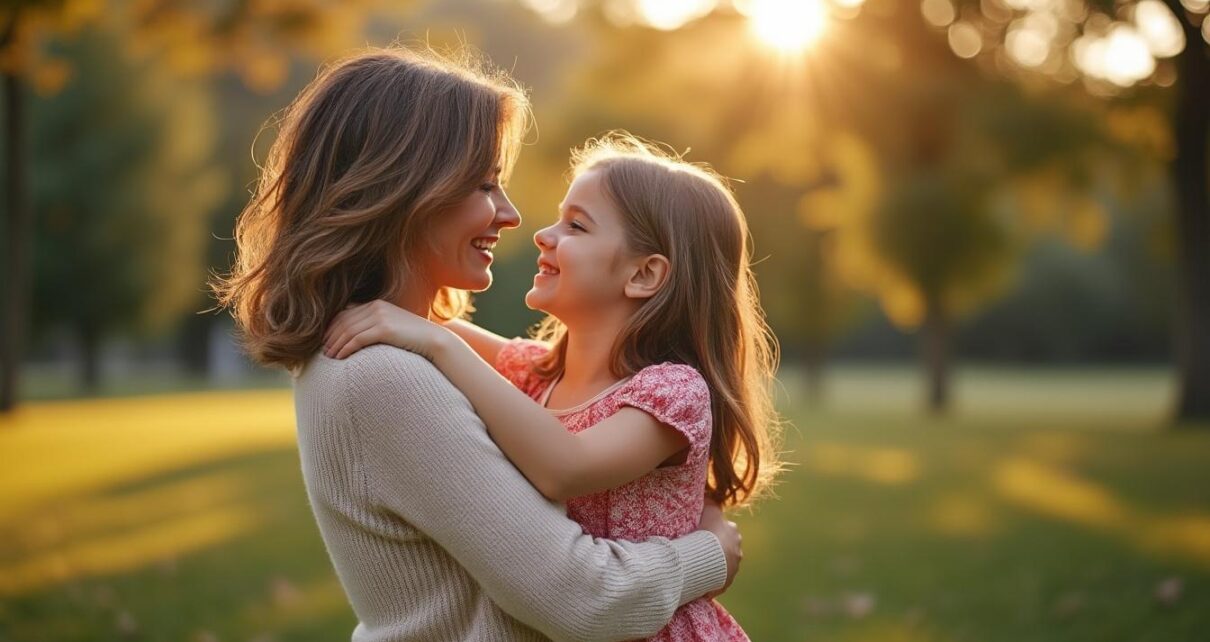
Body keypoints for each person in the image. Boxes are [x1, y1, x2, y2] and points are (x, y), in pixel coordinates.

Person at [212, 48, 743, 641]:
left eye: (576, 224)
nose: (516, 217)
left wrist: (429, 333)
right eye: (484, 184)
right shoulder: (385, 374)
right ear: (405, 190)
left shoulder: (389, 345)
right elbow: (584, 600)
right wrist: (709, 553)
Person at [323, 133, 784, 641]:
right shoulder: (539, 372)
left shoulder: (672, 393)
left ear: (644, 274)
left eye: (576, 226)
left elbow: (565, 467)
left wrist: (438, 344)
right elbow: (421, 318)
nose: (543, 234)